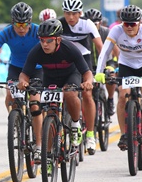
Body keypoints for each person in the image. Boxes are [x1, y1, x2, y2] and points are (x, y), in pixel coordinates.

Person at [94, 5, 142, 151]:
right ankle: (124, 134)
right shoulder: (116, 31)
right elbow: (104, 52)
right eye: (125, 24)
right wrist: (99, 72)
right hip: (126, 64)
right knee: (123, 96)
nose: (129, 27)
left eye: (132, 24)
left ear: (139, 23)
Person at [0, 2, 44, 161]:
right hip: (16, 68)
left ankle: (39, 144)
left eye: (24, 24)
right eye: (17, 24)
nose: (21, 28)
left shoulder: (37, 31)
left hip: (37, 68)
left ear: (30, 22)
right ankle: (16, 120)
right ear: (12, 22)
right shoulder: (7, 32)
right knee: (10, 97)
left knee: (35, 105)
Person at [17, 19, 94, 150]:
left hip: (71, 75)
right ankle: (48, 156)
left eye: (49, 41)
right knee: (50, 113)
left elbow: (87, 72)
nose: (45, 44)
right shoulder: (36, 51)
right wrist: (23, 82)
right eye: (42, 40)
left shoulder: (70, 48)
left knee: (69, 94)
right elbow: (24, 74)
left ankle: (75, 125)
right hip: (50, 78)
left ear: (58, 39)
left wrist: (87, 82)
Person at [59, 0, 102, 155]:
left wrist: (104, 68)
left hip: (84, 60)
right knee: (64, 92)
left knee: (87, 93)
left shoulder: (87, 24)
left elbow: (99, 47)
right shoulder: (59, 24)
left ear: (80, 13)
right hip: (66, 61)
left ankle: (90, 134)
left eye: (74, 13)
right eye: (67, 13)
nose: (70, 17)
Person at [84, 8, 118, 117]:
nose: (92, 26)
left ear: (100, 22)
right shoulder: (83, 33)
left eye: (95, 23)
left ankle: (111, 99)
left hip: (107, 61)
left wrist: (120, 63)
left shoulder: (107, 32)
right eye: (89, 23)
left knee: (111, 77)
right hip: (89, 63)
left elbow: (116, 50)